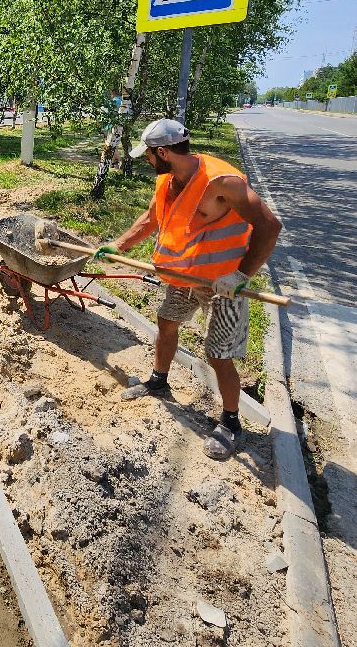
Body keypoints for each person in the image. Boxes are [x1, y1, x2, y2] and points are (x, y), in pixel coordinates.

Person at [94, 118, 282, 460]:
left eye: (149, 155)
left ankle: (231, 422)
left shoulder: (222, 181)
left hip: (223, 284)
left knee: (218, 354)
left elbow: (270, 226)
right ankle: (159, 380)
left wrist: (241, 275)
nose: (148, 161)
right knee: (166, 323)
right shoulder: (168, 179)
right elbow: (152, 218)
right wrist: (118, 245)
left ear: (163, 152)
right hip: (183, 274)